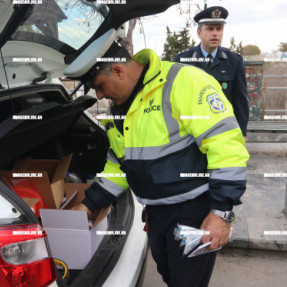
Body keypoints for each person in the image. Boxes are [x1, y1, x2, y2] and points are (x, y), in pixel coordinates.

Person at [70, 43, 249, 287]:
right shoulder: (120, 109)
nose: (99, 95)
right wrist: (89, 205)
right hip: (156, 215)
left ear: (118, 71)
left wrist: (221, 213)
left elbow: (226, 146)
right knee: (168, 274)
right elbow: (120, 164)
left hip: (194, 212)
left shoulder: (184, 81)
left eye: (99, 86)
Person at [174, 6, 249, 137]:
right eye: (209, 28)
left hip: (223, 130)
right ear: (199, 33)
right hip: (191, 133)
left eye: (219, 29)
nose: (215, 33)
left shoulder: (234, 61)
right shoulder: (182, 60)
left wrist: (242, 133)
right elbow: (175, 100)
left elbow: (240, 100)